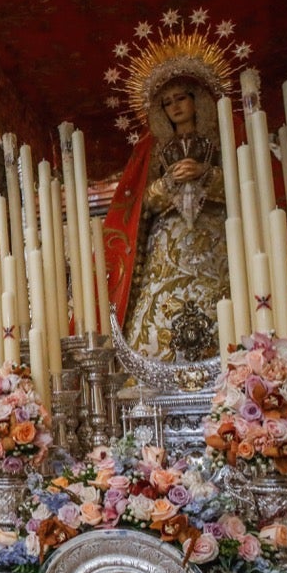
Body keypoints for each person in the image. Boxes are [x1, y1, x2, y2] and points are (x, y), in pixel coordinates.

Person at [103, 70, 231, 363]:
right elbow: (141, 201)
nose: (175, 107)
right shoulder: (154, 148)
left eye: (181, 98)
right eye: (167, 103)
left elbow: (245, 183)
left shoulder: (221, 138)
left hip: (215, 235)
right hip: (168, 242)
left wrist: (206, 173)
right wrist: (168, 182)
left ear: (197, 100)